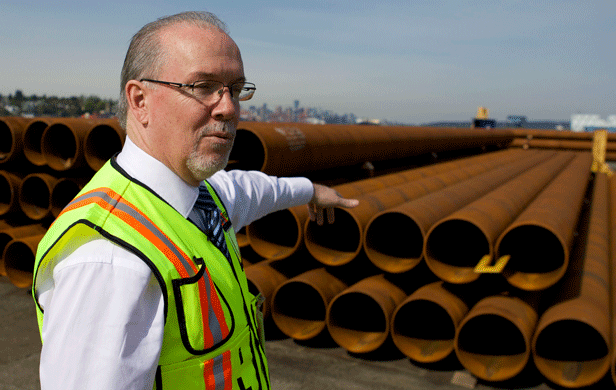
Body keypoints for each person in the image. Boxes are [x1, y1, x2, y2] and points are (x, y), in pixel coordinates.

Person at [32, 11, 358, 390]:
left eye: (234, 90)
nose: (228, 108)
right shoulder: (111, 258)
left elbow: (251, 190)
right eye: (203, 86)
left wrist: (311, 191)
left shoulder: (200, 197)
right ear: (139, 100)